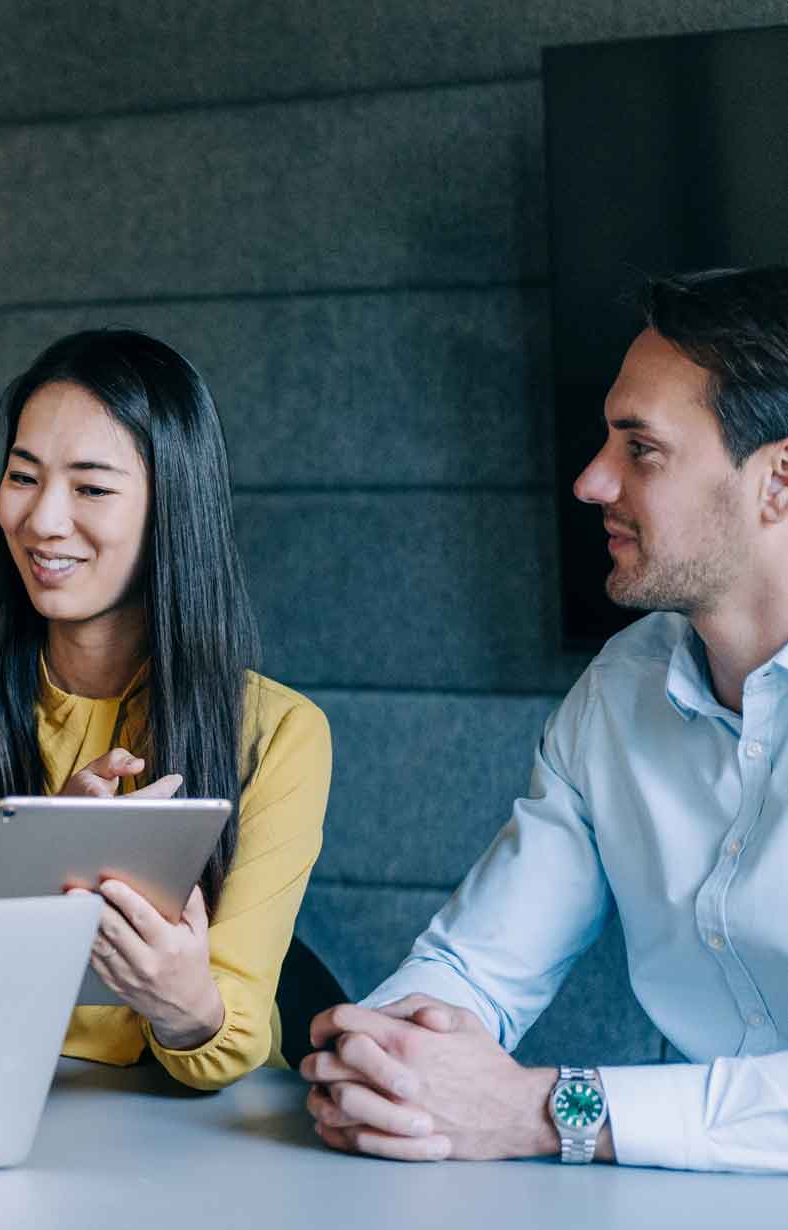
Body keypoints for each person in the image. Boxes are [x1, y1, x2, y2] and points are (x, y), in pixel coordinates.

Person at [303, 267, 788, 1172]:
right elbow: (478, 965)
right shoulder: (621, 688)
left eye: (639, 449)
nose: (591, 481)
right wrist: (386, 1060)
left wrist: (547, 1109)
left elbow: (531, 1109)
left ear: (777, 482)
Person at [0, 330, 331, 1090]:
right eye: (23, 476)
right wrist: (43, 860)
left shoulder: (277, 733)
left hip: (208, 1137)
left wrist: (182, 1005)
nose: (42, 520)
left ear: (170, 507)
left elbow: (234, 1036)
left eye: (90, 487)